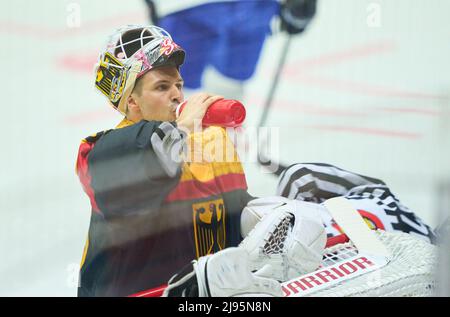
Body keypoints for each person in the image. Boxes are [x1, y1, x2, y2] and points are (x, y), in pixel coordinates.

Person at [75, 24, 254, 297]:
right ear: (132, 102)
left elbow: (236, 219)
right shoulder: (98, 152)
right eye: (162, 86)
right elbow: (150, 159)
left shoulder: (211, 141)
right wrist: (183, 129)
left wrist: (267, 215)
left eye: (178, 85)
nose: (177, 95)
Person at [144, 0, 317, 99]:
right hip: (185, 8)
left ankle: (220, 150)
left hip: (251, 9)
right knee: (177, 83)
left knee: (229, 84)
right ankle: (174, 151)